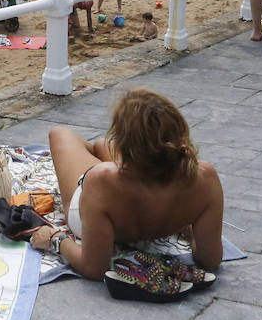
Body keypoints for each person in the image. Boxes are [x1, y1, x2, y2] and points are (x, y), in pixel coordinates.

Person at [26, 90, 224, 281]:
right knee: (103, 145)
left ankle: (103, 150)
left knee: (60, 134)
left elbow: (94, 268)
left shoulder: (100, 178)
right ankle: (103, 149)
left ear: (126, 144)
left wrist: (55, 239)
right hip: (158, 214)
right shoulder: (205, 176)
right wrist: (191, 228)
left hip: (108, 211)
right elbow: (210, 260)